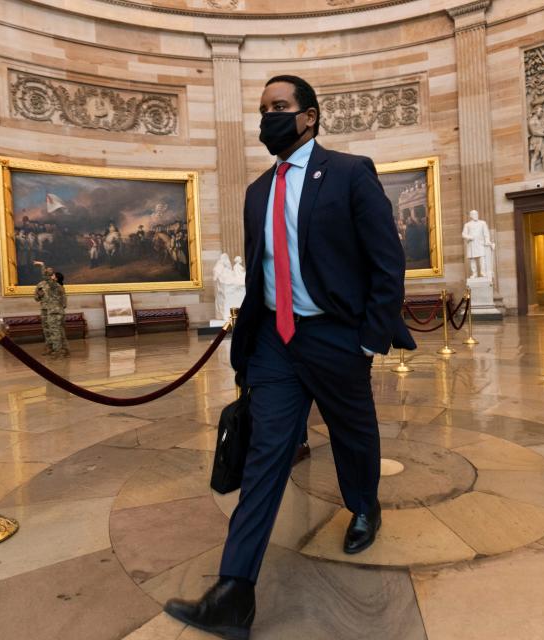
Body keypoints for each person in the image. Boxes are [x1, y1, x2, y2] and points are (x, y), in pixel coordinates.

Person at [163, 75, 415, 639]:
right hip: (276, 342)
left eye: (279, 107)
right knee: (265, 457)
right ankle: (234, 592)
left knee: (352, 432)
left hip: (335, 336)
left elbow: (386, 260)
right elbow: (261, 273)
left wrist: (371, 338)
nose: (267, 118)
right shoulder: (257, 191)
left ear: (310, 116)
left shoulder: (350, 173)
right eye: (262, 109)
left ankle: (364, 505)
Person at [33, 264, 69, 358]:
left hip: (54, 311)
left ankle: (60, 350)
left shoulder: (55, 285)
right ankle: (51, 348)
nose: (50, 274)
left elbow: (63, 302)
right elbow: (36, 298)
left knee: (56, 331)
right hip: (46, 310)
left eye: (51, 273)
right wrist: (39, 295)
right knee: (47, 330)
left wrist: (42, 266)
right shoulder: (41, 284)